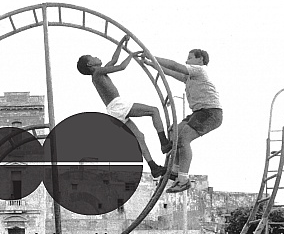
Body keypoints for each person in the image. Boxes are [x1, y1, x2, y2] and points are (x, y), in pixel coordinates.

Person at [77, 35, 170, 179]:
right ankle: (163, 142)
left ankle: (153, 167)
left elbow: (114, 60)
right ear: (90, 65)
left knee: (140, 136)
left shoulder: (98, 73)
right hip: (118, 106)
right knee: (154, 111)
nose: (97, 57)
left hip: (114, 110)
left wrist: (121, 43)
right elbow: (121, 66)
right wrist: (131, 55)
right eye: (93, 57)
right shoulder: (97, 72)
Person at [138, 49, 222, 193]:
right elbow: (169, 71)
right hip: (199, 112)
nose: (186, 61)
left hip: (210, 112)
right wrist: (150, 63)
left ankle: (183, 180)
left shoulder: (200, 70)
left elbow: (175, 66)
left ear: (200, 59)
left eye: (189, 58)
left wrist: (152, 55)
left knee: (183, 140)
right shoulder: (190, 77)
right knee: (173, 131)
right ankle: (176, 171)